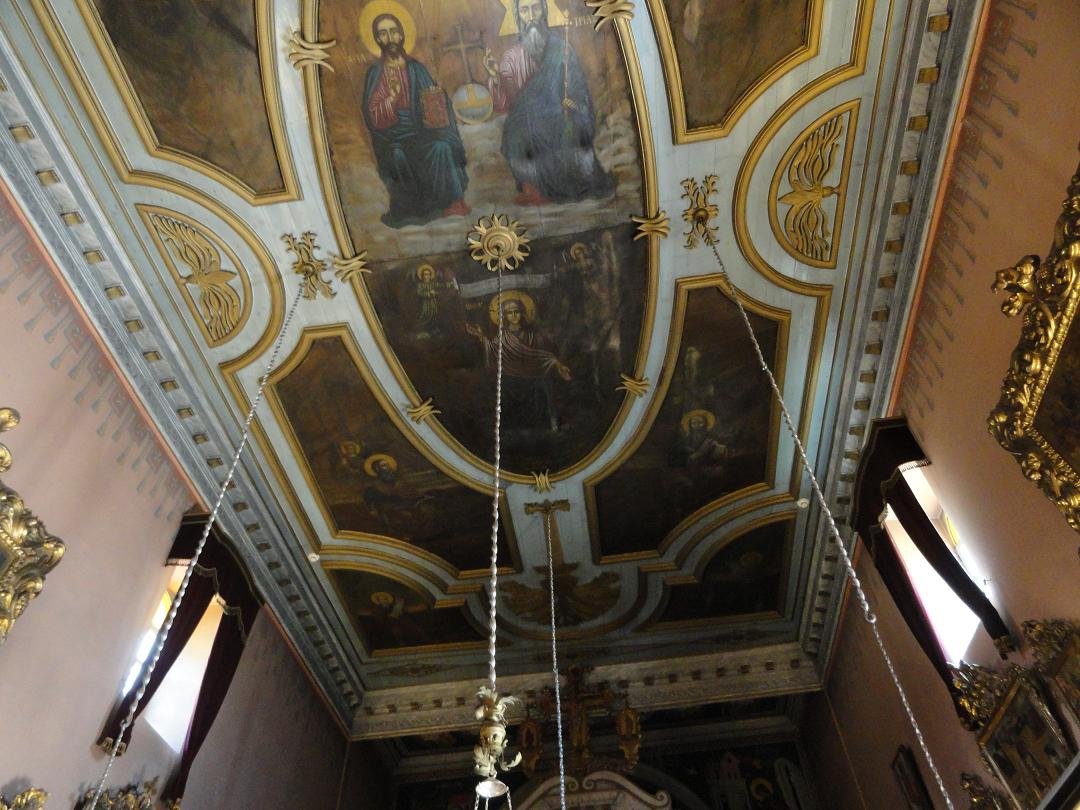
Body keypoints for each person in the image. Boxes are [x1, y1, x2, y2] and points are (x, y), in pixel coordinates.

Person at [482, 0, 614, 205]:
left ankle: (572, 185)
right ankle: (534, 189)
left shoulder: (562, 48)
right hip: (528, 119)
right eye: (525, 10)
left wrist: (573, 103)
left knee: (570, 128)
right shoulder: (512, 57)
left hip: (562, 114)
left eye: (536, 8)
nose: (531, 16)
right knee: (519, 133)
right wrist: (495, 77)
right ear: (517, 16)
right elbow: (506, 104)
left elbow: (579, 90)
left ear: (544, 11)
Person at [362, 14, 470, 227]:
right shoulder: (376, 73)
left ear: (401, 35)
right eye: (383, 33)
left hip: (422, 132)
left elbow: (434, 101)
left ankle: (452, 203)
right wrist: (391, 98)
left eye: (393, 31)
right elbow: (372, 114)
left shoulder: (416, 68)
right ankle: (412, 210)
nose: (390, 38)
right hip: (393, 136)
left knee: (441, 146)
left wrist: (435, 101)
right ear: (378, 39)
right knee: (397, 155)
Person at [466, 293, 571, 432]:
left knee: (544, 386)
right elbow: (492, 349)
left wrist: (558, 365)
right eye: (509, 313)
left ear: (522, 314)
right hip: (511, 378)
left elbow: (542, 355)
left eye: (517, 311)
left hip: (532, 377)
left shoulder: (532, 336)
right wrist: (480, 336)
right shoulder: (502, 337)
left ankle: (548, 425)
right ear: (504, 316)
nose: (514, 315)